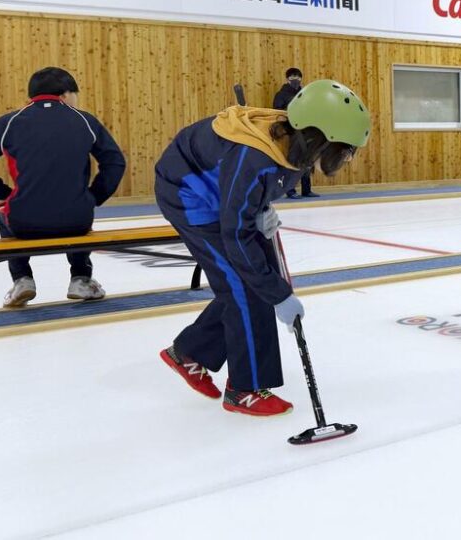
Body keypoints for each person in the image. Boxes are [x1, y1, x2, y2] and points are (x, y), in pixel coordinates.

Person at [156, 79, 370, 416]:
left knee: (258, 281)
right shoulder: (254, 156)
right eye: (343, 149)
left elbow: (260, 186)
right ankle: (244, 389)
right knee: (245, 286)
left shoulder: (297, 145)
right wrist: (280, 295)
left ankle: (189, 352)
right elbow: (235, 235)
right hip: (190, 197)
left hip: (224, 198)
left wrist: (259, 206)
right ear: (320, 137)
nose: (345, 157)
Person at [0, 67, 126, 308]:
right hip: (77, 220)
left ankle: (22, 279)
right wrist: (93, 197)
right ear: (65, 95)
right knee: (73, 207)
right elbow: (115, 162)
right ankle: (81, 278)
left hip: (24, 223)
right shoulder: (85, 120)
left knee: (3, 213)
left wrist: (2, 193)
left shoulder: (8, 122)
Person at [273, 68, 318, 198]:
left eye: (298, 77)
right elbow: (277, 111)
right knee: (293, 160)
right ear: (287, 79)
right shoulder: (281, 95)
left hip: (306, 129)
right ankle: (290, 190)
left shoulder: (305, 93)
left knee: (307, 159)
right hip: (292, 130)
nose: (296, 79)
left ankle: (306, 189)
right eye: (293, 77)